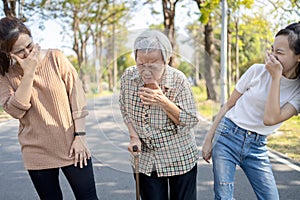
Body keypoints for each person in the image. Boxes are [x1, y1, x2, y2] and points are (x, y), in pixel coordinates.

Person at [0, 17, 98, 200]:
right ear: (7, 54)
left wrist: (80, 136)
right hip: (36, 151)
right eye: (20, 52)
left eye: (30, 46)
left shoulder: (56, 57)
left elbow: (77, 96)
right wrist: (29, 73)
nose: (28, 54)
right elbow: (16, 111)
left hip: (72, 145)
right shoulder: (5, 75)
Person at [202, 22, 300, 200]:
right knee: (223, 197)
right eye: (272, 50)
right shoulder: (256, 71)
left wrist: (276, 77)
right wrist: (208, 140)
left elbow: (270, 119)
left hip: (257, 146)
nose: (272, 56)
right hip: (226, 136)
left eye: (279, 52)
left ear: (298, 57)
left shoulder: (297, 91)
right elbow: (228, 105)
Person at [119, 30, 200, 200]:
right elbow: (124, 108)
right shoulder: (129, 77)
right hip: (146, 158)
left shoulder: (178, 80)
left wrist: (163, 101)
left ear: (166, 60)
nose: (146, 70)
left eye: (153, 64)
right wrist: (134, 136)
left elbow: (190, 120)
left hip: (179, 155)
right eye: (141, 64)